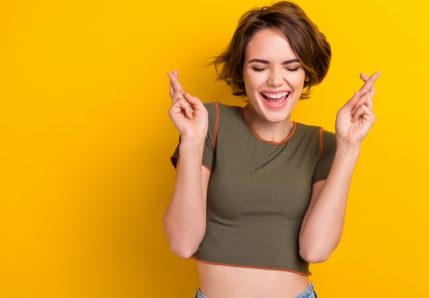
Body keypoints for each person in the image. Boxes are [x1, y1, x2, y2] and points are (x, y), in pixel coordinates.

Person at [163, 1, 380, 297]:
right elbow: (182, 242)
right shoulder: (209, 123)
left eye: (291, 67)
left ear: (306, 73)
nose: (276, 80)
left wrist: (349, 147)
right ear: (242, 72)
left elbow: (315, 250)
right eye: (259, 67)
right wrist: (190, 141)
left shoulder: (323, 144)